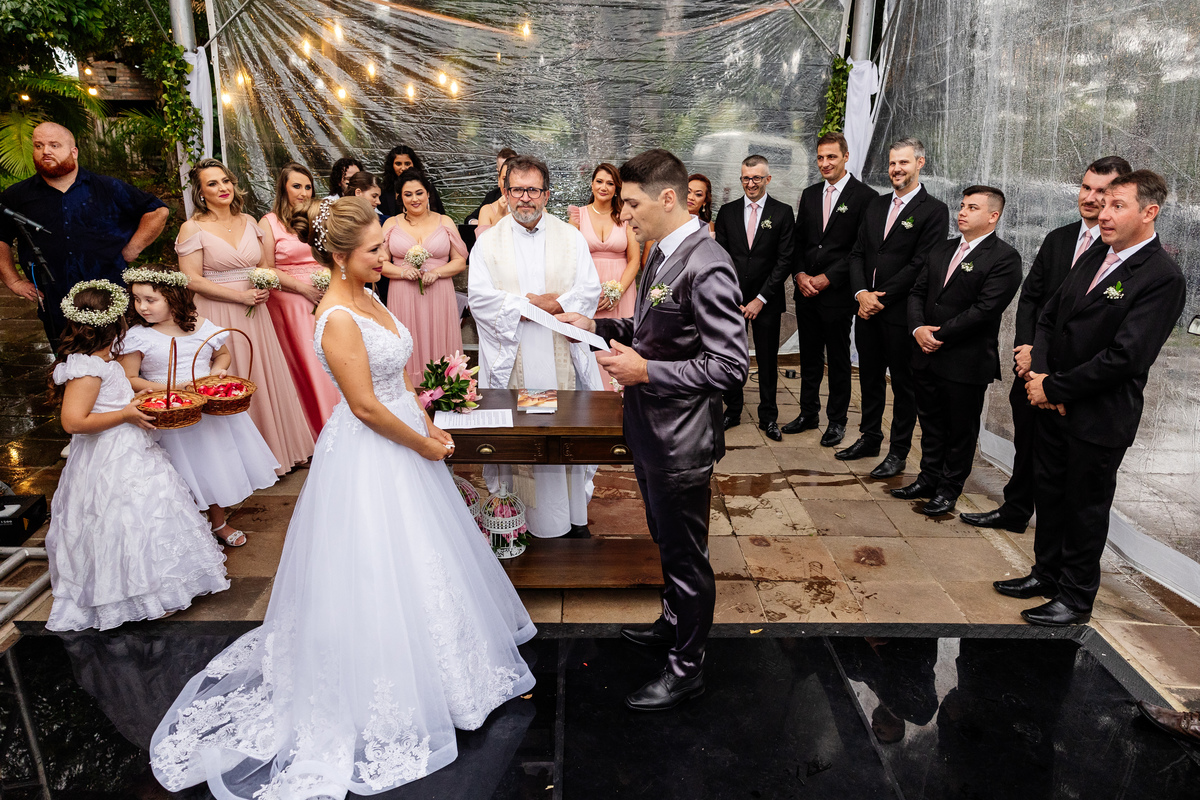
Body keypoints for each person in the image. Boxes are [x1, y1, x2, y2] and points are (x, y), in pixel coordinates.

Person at [150, 197, 535, 797]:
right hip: (372, 452)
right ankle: (384, 682)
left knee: (426, 557)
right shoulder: (334, 317)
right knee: (376, 562)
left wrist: (427, 421)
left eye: (382, 247)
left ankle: (450, 668)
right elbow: (363, 406)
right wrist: (422, 444)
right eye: (374, 251)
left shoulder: (371, 297)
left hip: (405, 433)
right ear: (338, 256)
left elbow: (397, 379)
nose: (386, 257)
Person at [559, 148, 748, 710]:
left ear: (669, 198)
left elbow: (730, 366)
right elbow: (654, 330)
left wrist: (647, 372)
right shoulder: (663, 252)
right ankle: (672, 622)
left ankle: (687, 667)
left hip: (681, 441)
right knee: (667, 541)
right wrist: (596, 325)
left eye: (632, 204)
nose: (623, 215)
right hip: (649, 431)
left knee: (687, 556)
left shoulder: (707, 262)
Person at [996, 170, 1186, 626]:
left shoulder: (1162, 277)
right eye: (1103, 204)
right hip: (1052, 403)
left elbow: (1126, 357)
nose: (1103, 213)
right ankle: (1046, 574)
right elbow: (1049, 316)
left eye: (1117, 205)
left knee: (1084, 509)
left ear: (1149, 212)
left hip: (1098, 416)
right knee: (1050, 495)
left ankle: (1076, 599)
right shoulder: (1097, 252)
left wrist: (1054, 388)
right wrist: (1041, 377)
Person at [46, 279, 229, 631]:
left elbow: (108, 401)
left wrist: (132, 402)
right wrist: (125, 414)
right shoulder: (87, 369)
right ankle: (137, 597)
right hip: (108, 458)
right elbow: (73, 422)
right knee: (123, 521)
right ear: (114, 324)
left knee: (149, 516)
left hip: (131, 447)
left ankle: (164, 586)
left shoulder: (105, 360)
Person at [961, 156, 1131, 532]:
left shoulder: (1118, 254)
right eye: (1085, 187)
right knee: (1027, 444)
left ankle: (1061, 541)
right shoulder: (1059, 239)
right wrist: (1028, 351)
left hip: (1076, 380)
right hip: (1032, 368)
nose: (1090, 197)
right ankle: (1015, 511)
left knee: (1068, 470)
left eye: (1102, 191)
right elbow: (1032, 299)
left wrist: (1051, 371)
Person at [468, 154, 603, 539]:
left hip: (560, 357)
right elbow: (479, 299)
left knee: (562, 432)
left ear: (546, 194)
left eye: (532, 190)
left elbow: (589, 289)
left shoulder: (571, 238)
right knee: (524, 434)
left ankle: (571, 517)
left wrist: (553, 304)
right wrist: (525, 306)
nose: (524, 198)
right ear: (505, 191)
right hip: (516, 359)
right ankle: (517, 518)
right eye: (517, 190)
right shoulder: (488, 243)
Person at [119, 265, 280, 546]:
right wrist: (175, 390)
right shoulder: (138, 336)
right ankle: (185, 529)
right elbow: (130, 378)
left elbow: (223, 355)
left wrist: (215, 373)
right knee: (178, 472)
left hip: (207, 413)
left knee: (212, 467)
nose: (142, 306)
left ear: (174, 298)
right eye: (136, 299)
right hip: (168, 412)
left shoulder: (201, 326)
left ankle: (219, 523)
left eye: (150, 300)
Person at [175, 158, 315, 473]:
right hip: (217, 312)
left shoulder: (250, 221)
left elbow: (264, 266)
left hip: (256, 313)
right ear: (200, 193)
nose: (222, 188)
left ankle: (275, 452)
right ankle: (237, 466)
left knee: (261, 375)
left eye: (225, 181)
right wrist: (239, 296)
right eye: (212, 184)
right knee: (228, 379)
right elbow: (191, 279)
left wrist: (263, 284)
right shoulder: (192, 228)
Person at [896, 186, 1022, 516]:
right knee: (931, 423)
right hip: (925, 353)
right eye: (962, 205)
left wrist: (938, 334)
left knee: (960, 430)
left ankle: (949, 489)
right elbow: (917, 292)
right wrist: (917, 329)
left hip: (965, 361)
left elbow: (985, 309)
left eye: (973, 207)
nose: (962, 212)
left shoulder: (1004, 258)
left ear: (993, 216)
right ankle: (928, 479)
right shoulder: (942, 248)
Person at [0, 121, 169, 345]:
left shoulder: (107, 187)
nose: (45, 151)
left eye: (54, 145)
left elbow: (157, 211)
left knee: (117, 355)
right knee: (66, 359)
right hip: (55, 301)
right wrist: (13, 281)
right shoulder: (17, 195)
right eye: (39, 146)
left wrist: (133, 249)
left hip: (109, 295)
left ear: (74, 152)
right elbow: (1, 238)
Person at [843, 138, 950, 478]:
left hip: (901, 314)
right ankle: (869, 437)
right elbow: (858, 252)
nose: (896, 169)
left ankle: (898, 451)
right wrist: (861, 293)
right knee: (870, 377)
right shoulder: (875, 205)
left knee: (904, 386)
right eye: (892, 163)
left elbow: (922, 264)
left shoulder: (934, 210)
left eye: (903, 162)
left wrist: (880, 298)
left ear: (920, 163)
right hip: (866, 311)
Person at [782, 132, 879, 446]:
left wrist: (829, 277)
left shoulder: (865, 197)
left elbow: (860, 249)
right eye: (820, 157)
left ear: (845, 157)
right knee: (808, 357)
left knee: (837, 360)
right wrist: (799, 274)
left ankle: (837, 421)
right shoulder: (810, 194)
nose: (825, 163)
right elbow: (799, 241)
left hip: (837, 293)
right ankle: (808, 413)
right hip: (806, 291)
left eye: (831, 157)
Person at [714, 154, 795, 441]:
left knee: (767, 359)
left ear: (767, 179)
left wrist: (761, 298)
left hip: (767, 301)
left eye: (756, 178)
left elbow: (785, 260)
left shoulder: (782, 212)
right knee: (732, 356)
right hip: (733, 301)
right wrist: (731, 296)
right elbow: (721, 258)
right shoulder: (727, 212)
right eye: (746, 178)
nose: (751, 184)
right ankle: (733, 409)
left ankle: (768, 416)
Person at [261, 163, 341, 437]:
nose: (304, 192)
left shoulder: (318, 217)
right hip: (288, 300)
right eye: (296, 186)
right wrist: (303, 289)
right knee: (307, 363)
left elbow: (333, 256)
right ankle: (314, 428)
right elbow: (266, 268)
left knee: (330, 359)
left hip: (325, 295)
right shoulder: (269, 222)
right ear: (283, 188)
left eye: (308, 187)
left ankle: (340, 423)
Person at [382, 169, 469, 386]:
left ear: (428, 193)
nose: (415, 199)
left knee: (440, 342)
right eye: (408, 194)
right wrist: (402, 272)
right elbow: (378, 263)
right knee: (408, 342)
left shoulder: (445, 221)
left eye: (419, 193)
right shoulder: (391, 224)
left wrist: (436, 273)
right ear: (400, 197)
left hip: (439, 292)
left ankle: (446, 393)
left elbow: (460, 261)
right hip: (403, 294)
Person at [568, 163, 640, 389]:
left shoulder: (625, 217)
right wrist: (585, 292)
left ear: (617, 188)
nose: (604, 187)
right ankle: (595, 394)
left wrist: (618, 291)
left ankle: (623, 397)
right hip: (589, 290)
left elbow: (634, 260)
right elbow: (569, 258)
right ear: (591, 184)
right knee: (592, 344)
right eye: (599, 181)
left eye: (610, 183)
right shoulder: (578, 215)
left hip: (623, 289)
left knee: (620, 343)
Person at [464, 147, 519, 247]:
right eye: (504, 177)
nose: (509, 183)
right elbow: (483, 247)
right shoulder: (490, 201)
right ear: (499, 176)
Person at [379, 144, 447, 217]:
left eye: (407, 164)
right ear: (391, 166)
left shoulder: (427, 186)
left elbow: (440, 215)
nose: (403, 168)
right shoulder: (384, 190)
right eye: (398, 164)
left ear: (414, 164)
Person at [475, 156, 515, 234]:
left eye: (512, 179)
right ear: (499, 180)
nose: (508, 184)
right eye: (504, 179)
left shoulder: (533, 209)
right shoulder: (487, 211)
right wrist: (500, 215)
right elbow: (483, 241)